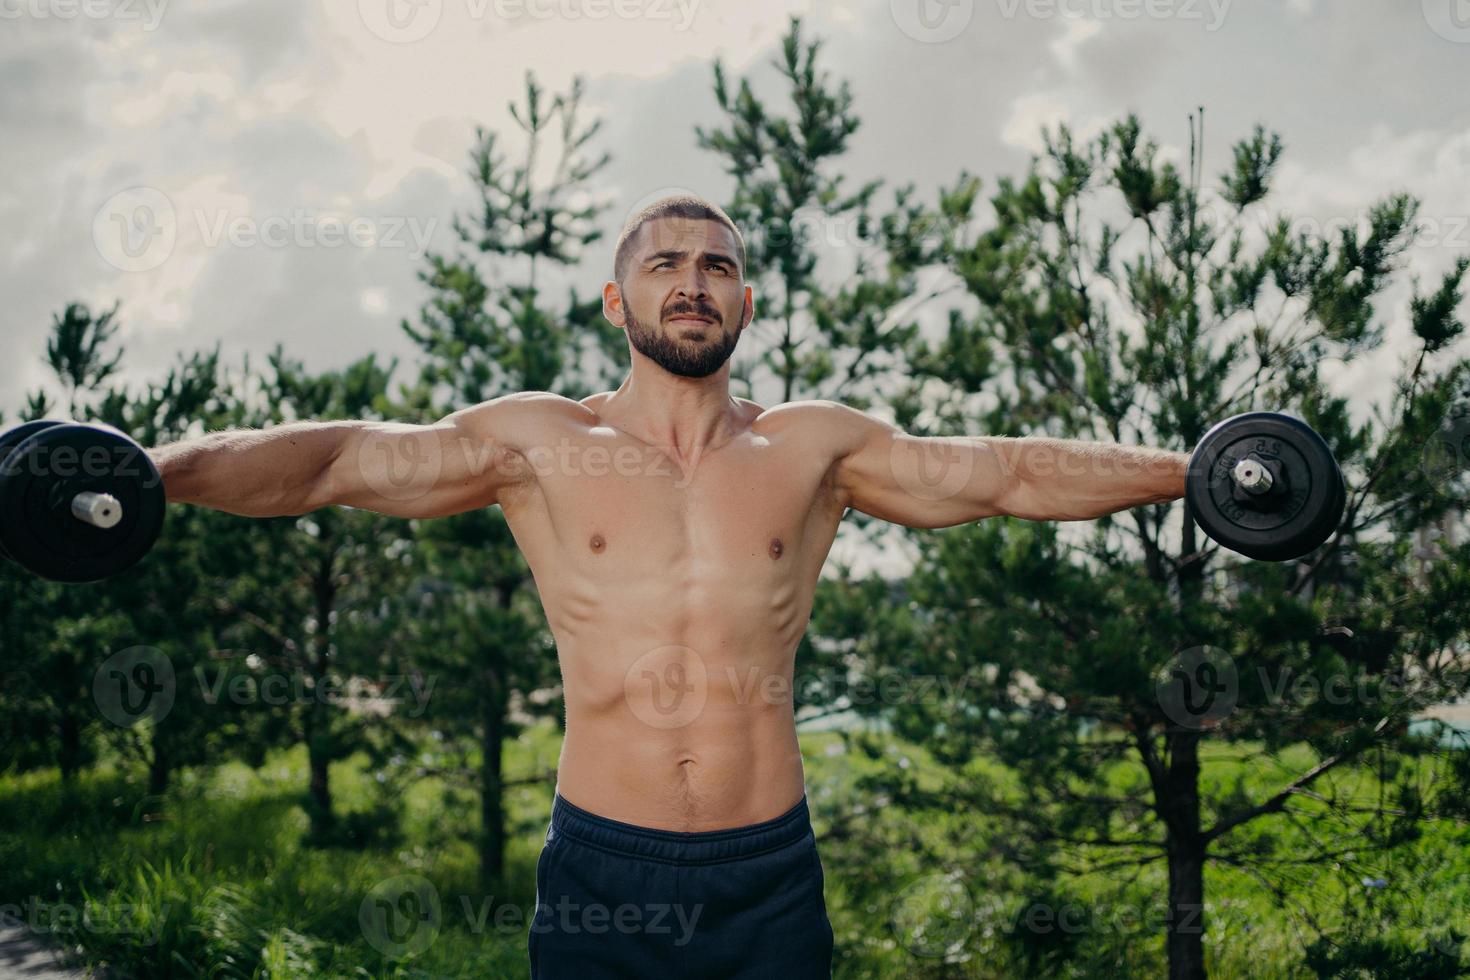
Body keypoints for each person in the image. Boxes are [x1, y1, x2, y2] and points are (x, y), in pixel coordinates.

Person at [149, 195, 1189, 978]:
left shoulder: (813, 448)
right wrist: (142, 476)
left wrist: (1198, 475)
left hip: (768, 873)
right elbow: (335, 460)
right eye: (665, 263)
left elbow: (1007, 472)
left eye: (717, 265)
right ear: (619, 297)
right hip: (603, 869)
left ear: (745, 298)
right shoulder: (542, 441)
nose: (692, 280)